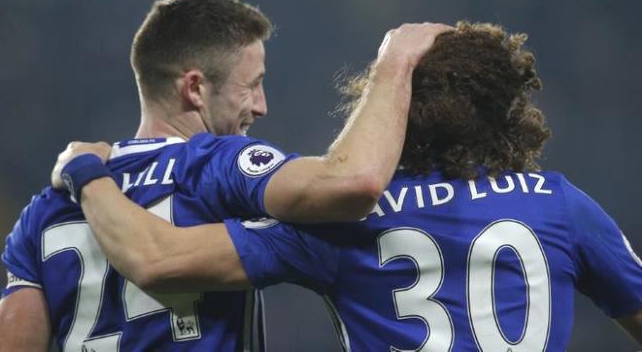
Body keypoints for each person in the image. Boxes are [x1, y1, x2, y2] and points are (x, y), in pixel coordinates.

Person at [49, 21, 642, 350]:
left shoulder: (340, 224)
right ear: (503, 113)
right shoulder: (560, 205)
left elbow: (157, 258)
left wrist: (87, 175)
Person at [0, 0, 451, 351]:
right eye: (252, 86)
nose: (262, 107)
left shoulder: (46, 210)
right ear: (195, 89)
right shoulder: (214, 163)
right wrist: (395, 63)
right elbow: (351, 182)